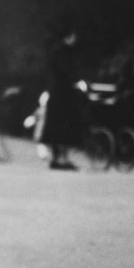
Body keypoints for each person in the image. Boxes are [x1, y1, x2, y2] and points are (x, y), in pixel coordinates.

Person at [37, 30, 86, 170]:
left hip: (62, 93)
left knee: (61, 127)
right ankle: (58, 158)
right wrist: (76, 81)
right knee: (60, 126)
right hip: (61, 95)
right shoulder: (62, 53)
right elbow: (65, 71)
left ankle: (60, 158)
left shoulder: (62, 52)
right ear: (68, 37)